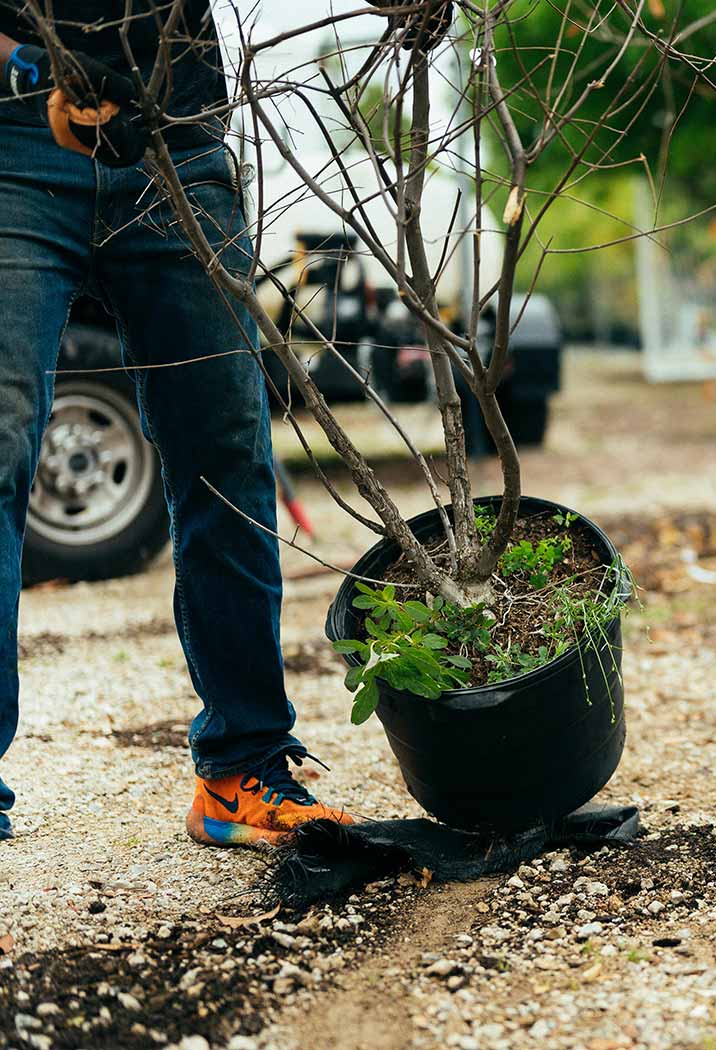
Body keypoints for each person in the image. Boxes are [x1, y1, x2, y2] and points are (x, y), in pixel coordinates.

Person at [0, 0, 444, 846]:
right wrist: (27, 61)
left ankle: (243, 770)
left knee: (227, 450)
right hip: (13, 140)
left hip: (175, 130)